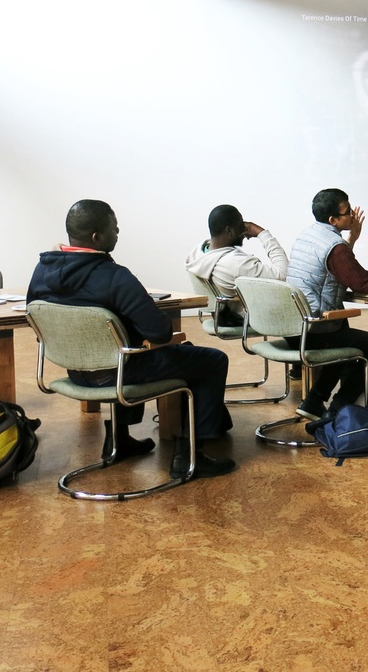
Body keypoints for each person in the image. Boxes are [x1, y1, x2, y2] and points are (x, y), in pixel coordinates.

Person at [28, 199, 235, 478]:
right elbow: (160, 332)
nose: (118, 232)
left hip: (75, 371)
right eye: (114, 228)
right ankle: (190, 456)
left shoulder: (41, 271)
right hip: (121, 373)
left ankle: (119, 440)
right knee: (212, 360)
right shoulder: (115, 277)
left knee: (124, 347)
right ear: (96, 237)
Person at [285, 188, 368, 421]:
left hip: (294, 327)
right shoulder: (335, 247)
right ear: (333, 220)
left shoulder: (309, 235)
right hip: (314, 330)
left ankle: (313, 402)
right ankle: (339, 408)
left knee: (342, 329)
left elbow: (334, 269)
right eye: (348, 212)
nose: (353, 215)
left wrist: (351, 239)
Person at [185, 204, 288, 324]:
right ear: (229, 231)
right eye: (241, 225)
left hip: (225, 314)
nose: (245, 228)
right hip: (253, 316)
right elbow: (284, 274)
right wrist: (262, 233)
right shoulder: (236, 263)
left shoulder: (199, 253)